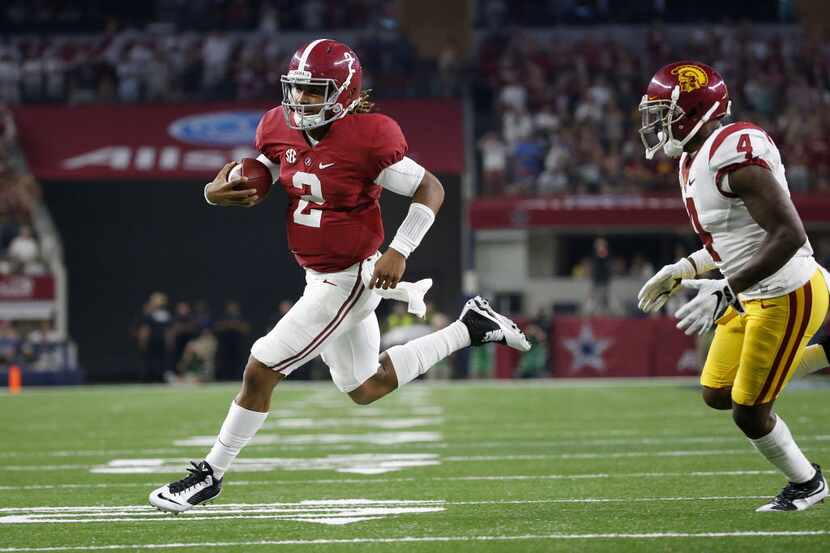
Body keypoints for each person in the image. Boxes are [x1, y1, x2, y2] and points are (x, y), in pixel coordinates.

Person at [149, 39, 530, 514]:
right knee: (365, 387)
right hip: (319, 276)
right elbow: (269, 167)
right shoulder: (276, 125)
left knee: (260, 368)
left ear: (344, 93)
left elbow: (430, 188)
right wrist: (215, 191)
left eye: (314, 92)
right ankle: (468, 328)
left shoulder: (368, 138)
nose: (301, 101)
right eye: (298, 90)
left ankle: (209, 475)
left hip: (348, 279)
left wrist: (401, 249)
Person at [636, 61, 830, 512]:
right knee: (717, 392)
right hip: (748, 291)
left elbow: (789, 235)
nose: (655, 124)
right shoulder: (693, 158)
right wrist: (683, 268)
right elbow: (734, 242)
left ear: (695, 111)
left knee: (749, 411)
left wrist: (725, 288)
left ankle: (809, 484)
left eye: (663, 113)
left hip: (784, 292)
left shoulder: (733, 157)